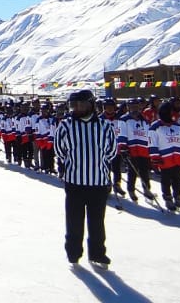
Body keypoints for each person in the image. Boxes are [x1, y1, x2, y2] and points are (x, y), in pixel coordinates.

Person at [54, 90, 117, 269]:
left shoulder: (104, 126)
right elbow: (59, 150)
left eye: (81, 104)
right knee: (74, 221)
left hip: (98, 182)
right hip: (74, 182)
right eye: (74, 105)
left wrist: (96, 162)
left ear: (91, 105)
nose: (77, 108)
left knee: (97, 221)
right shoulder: (66, 125)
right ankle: (73, 253)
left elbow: (112, 151)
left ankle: (98, 253)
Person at [150, 101, 180, 213]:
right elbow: (152, 143)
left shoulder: (177, 126)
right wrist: (155, 158)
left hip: (178, 158)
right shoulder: (155, 127)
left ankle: (178, 198)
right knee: (166, 181)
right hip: (164, 159)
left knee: (177, 180)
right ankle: (168, 199)